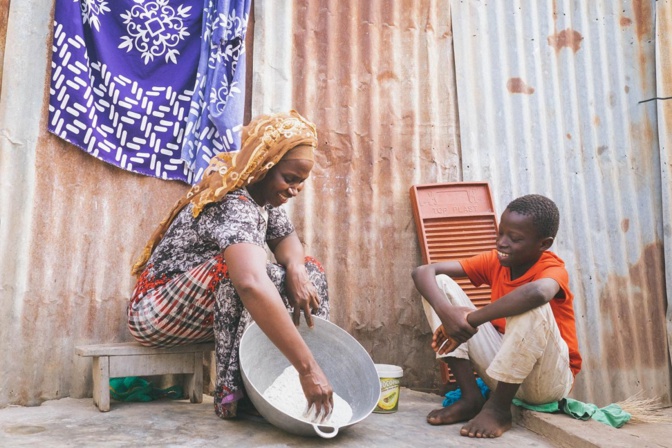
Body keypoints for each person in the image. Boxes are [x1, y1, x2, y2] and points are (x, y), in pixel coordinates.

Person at [127, 110, 334, 420]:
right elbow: (249, 282)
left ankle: (281, 378)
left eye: (300, 183)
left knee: (309, 270)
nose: (294, 190)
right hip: (154, 310)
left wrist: (296, 269)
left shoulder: (261, 198)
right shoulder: (234, 201)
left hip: (196, 310)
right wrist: (308, 368)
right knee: (249, 275)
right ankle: (235, 392)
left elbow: (289, 243)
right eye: (289, 179)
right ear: (264, 166)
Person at [412, 194, 582, 438]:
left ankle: (499, 409)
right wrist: (448, 315)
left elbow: (538, 292)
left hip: (547, 382)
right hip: (502, 372)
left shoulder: (552, 269)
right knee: (439, 284)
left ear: (543, 244)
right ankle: (471, 397)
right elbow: (423, 271)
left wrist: (471, 319)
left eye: (515, 239)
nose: (502, 243)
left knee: (531, 303)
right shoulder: (497, 261)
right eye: (500, 233)